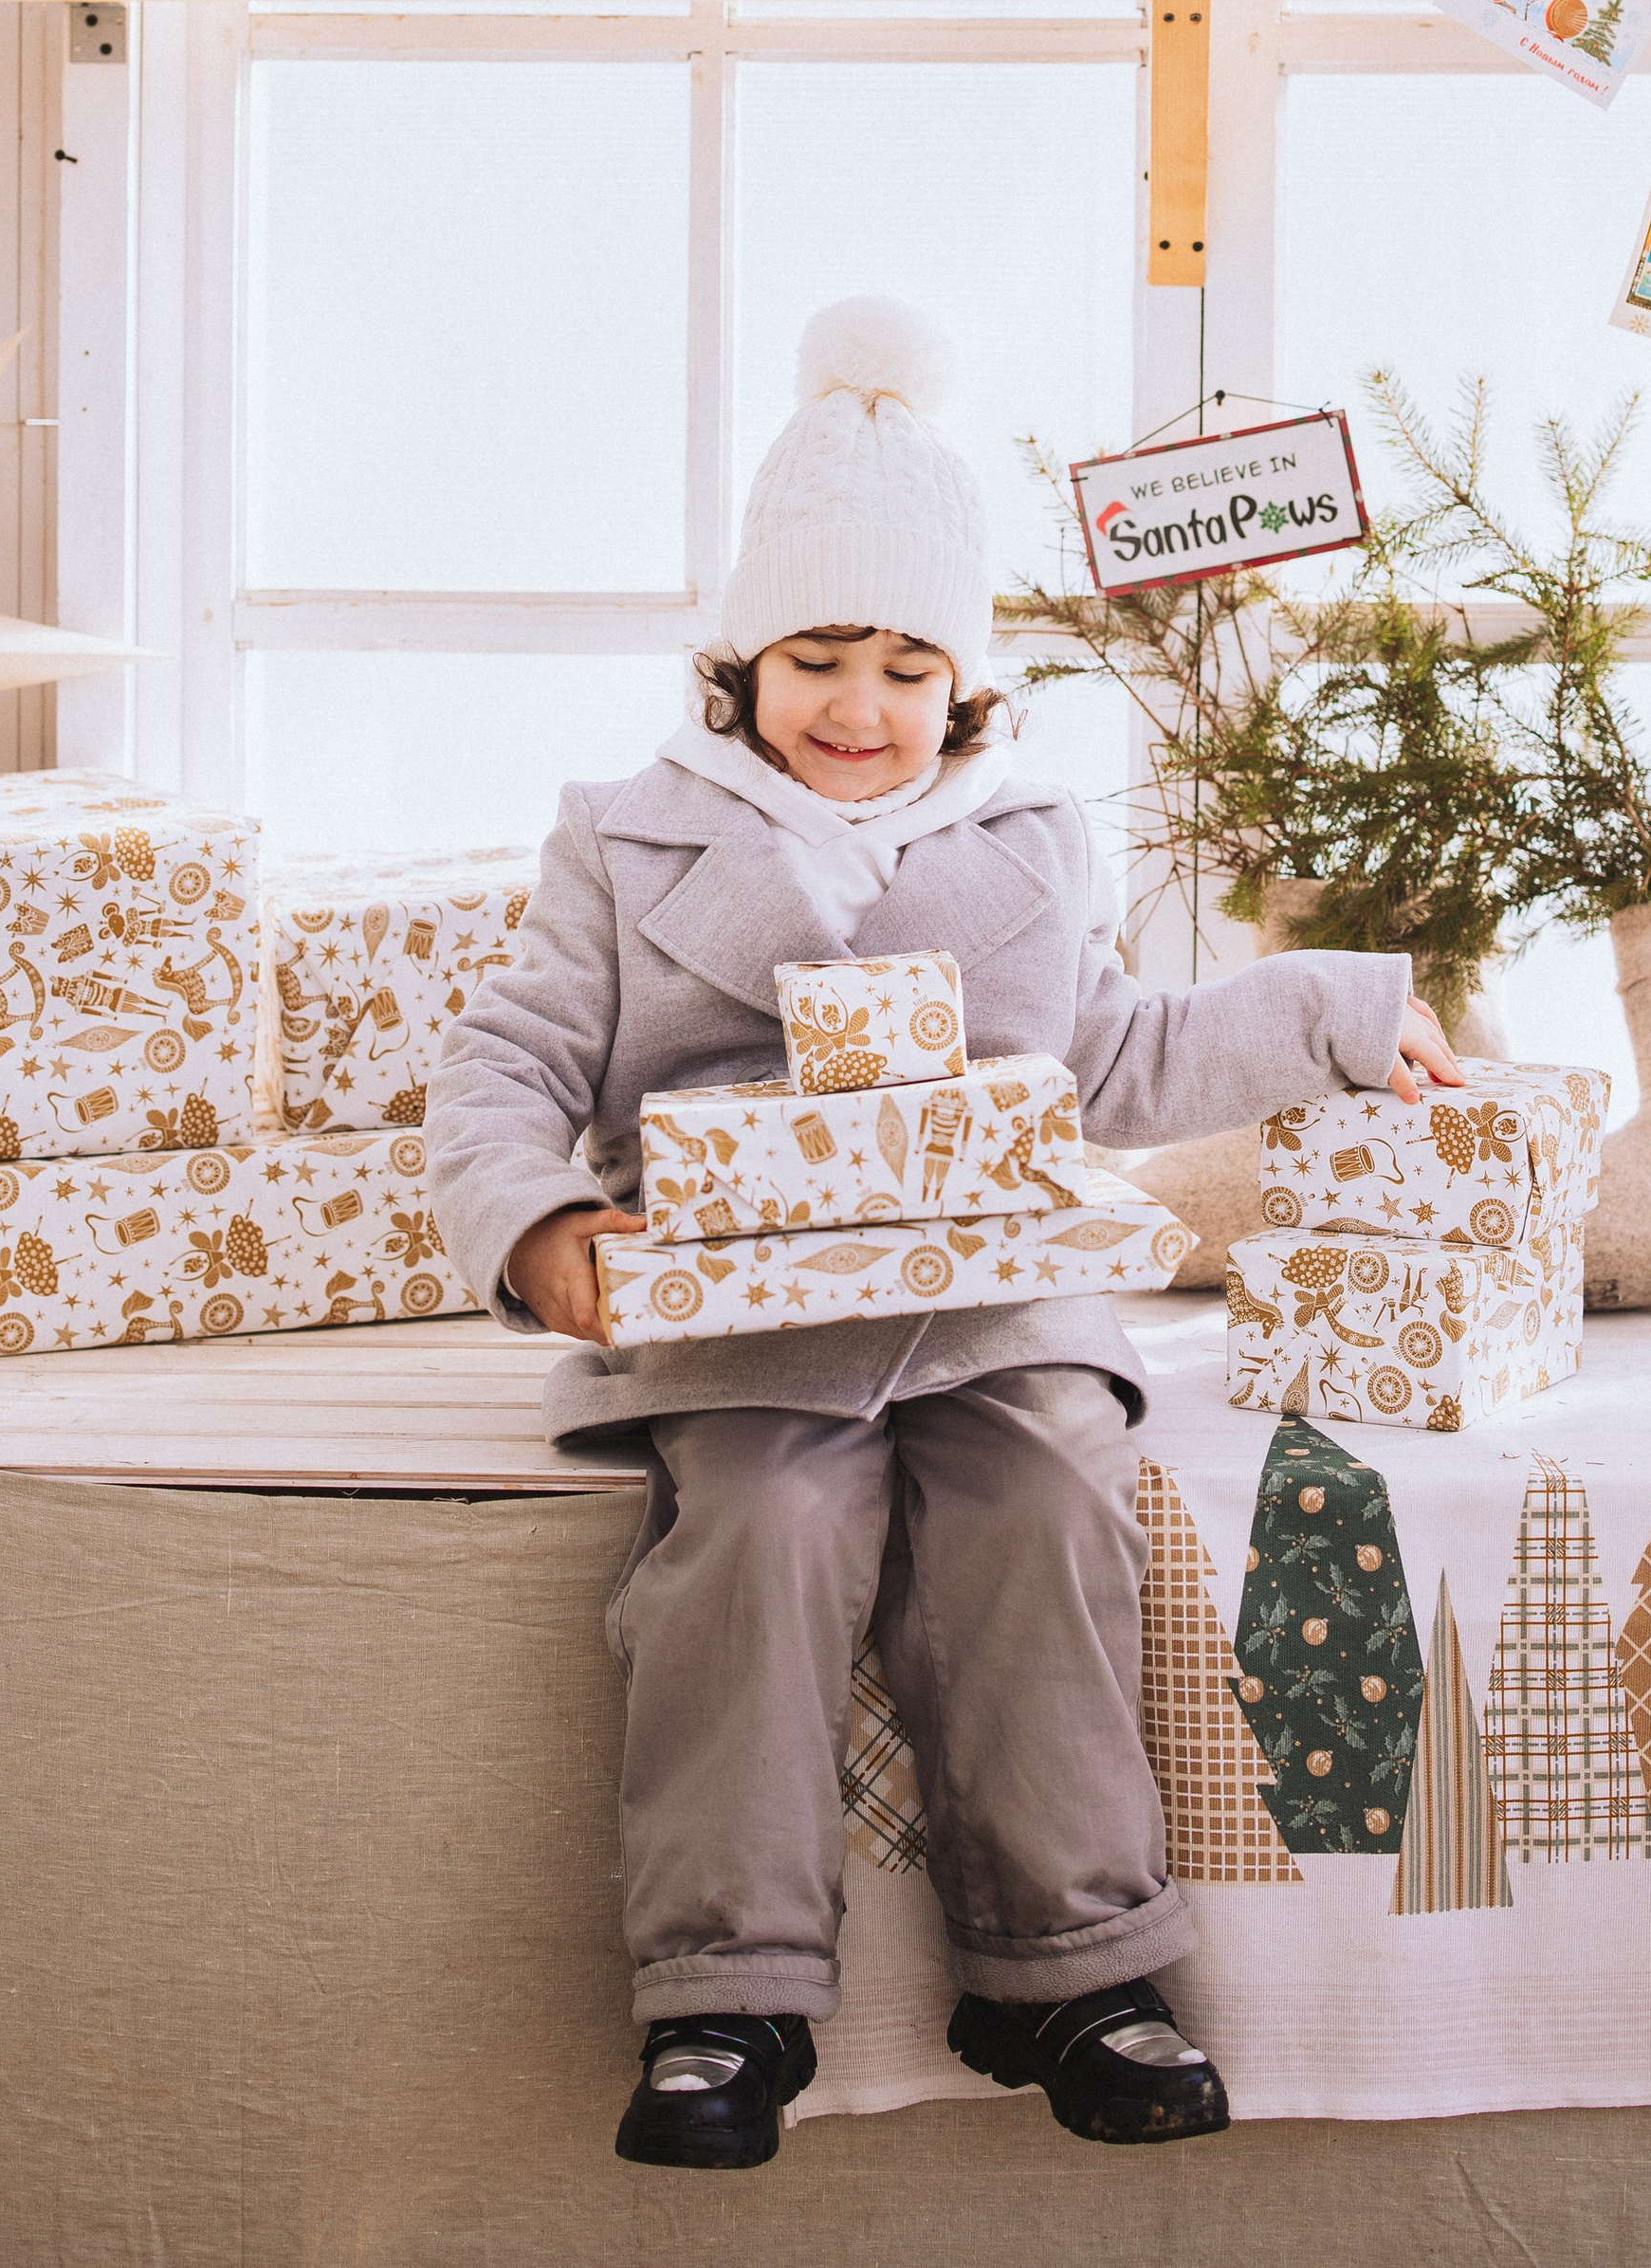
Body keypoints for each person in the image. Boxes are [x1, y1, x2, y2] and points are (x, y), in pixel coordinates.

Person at [426, 300, 1461, 2172]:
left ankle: (1064, 1962)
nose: (857, 703)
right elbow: (506, 1059)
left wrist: (1330, 1010)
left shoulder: (1033, 833)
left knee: (1052, 1502)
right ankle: (722, 1989)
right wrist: (542, 1217)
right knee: (755, 1529)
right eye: (815, 656)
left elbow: (1118, 1055)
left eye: (906, 665)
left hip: (993, 1299)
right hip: (744, 1310)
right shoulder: (621, 833)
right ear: (737, 664)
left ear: (963, 687)